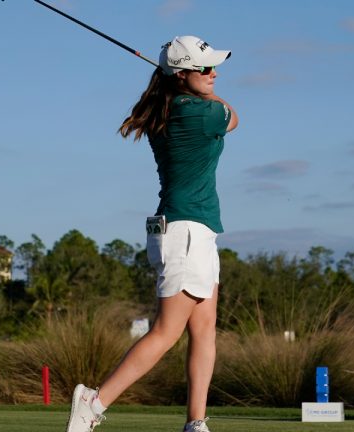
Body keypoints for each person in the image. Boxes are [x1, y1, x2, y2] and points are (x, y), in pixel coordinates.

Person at [65, 35, 238, 432]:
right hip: (187, 231)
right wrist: (188, 86)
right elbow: (234, 117)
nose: (214, 74)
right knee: (166, 331)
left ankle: (196, 422)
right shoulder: (199, 113)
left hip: (191, 230)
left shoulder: (170, 107)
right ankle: (94, 402)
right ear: (181, 75)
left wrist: (174, 79)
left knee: (204, 327)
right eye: (205, 68)